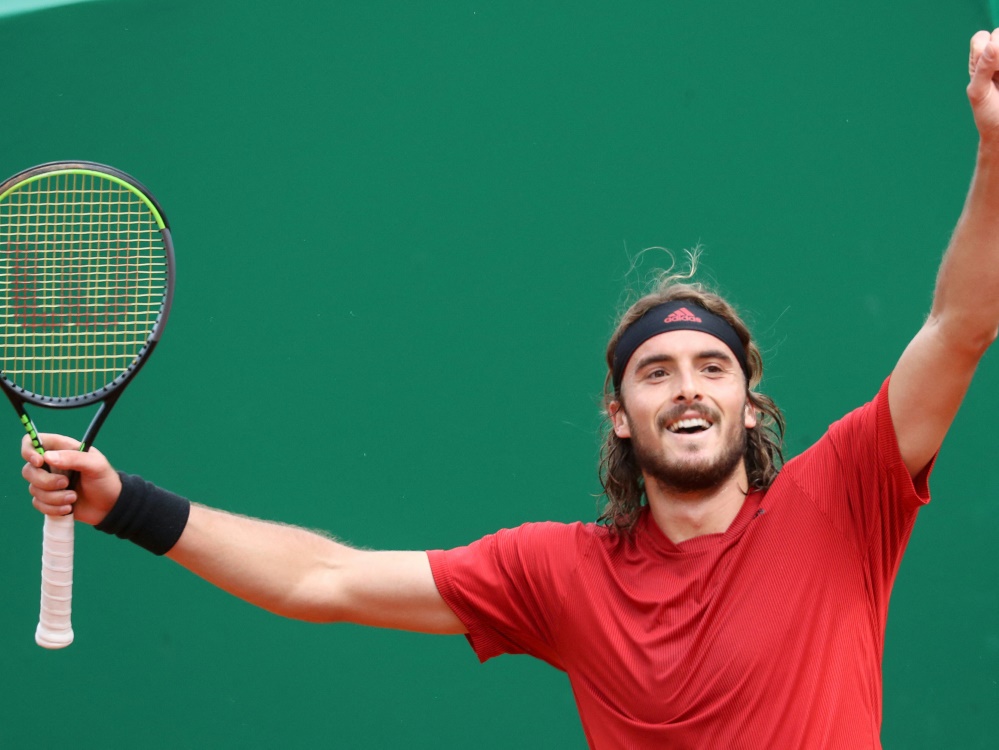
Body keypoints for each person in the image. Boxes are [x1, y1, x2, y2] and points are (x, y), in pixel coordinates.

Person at [20, 30, 999, 749]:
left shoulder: (844, 501)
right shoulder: (560, 575)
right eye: (656, 372)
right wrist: (123, 506)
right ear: (621, 413)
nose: (688, 389)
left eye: (714, 368)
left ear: (751, 400)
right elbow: (324, 581)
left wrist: (996, 154)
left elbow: (961, 325)